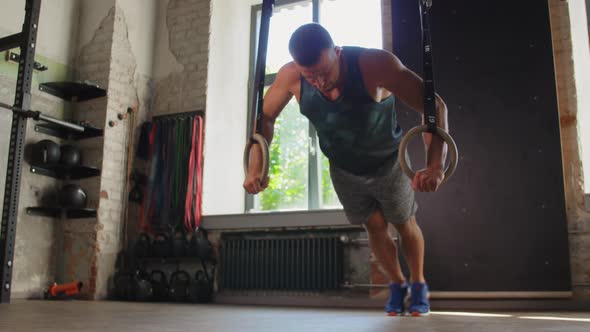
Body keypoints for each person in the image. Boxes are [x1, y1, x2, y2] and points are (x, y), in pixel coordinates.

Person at [243, 23, 448, 316]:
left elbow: (433, 107)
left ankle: (418, 283)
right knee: (375, 227)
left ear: (337, 53)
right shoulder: (291, 75)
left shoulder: (375, 65)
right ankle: (397, 284)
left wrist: (435, 164)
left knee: (404, 224)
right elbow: (263, 119)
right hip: (343, 169)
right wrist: (255, 168)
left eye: (324, 73)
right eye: (310, 76)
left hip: (388, 164)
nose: (319, 82)